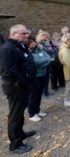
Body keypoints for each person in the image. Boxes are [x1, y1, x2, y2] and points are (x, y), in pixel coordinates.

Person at [0, 24, 37, 153]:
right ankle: (15, 145)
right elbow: (8, 73)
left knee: (20, 113)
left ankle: (20, 134)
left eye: (27, 33)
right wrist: (24, 84)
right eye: (24, 33)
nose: (27, 35)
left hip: (23, 86)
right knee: (15, 115)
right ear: (14, 34)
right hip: (16, 88)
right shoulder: (7, 49)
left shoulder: (20, 46)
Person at [27, 38, 51, 122]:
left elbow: (49, 58)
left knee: (39, 93)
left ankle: (37, 110)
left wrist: (42, 64)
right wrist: (43, 62)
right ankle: (32, 113)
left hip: (43, 74)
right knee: (33, 95)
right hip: (35, 76)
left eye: (33, 42)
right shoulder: (28, 53)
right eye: (30, 42)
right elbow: (35, 62)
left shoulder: (40, 49)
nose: (33, 43)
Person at [36, 30, 55, 97]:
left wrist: (53, 57)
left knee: (47, 78)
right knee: (43, 78)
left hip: (50, 61)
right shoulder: (39, 44)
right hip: (45, 62)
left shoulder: (48, 42)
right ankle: (43, 92)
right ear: (40, 36)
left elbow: (52, 50)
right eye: (43, 35)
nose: (45, 36)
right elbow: (43, 53)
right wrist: (49, 58)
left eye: (46, 35)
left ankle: (46, 91)